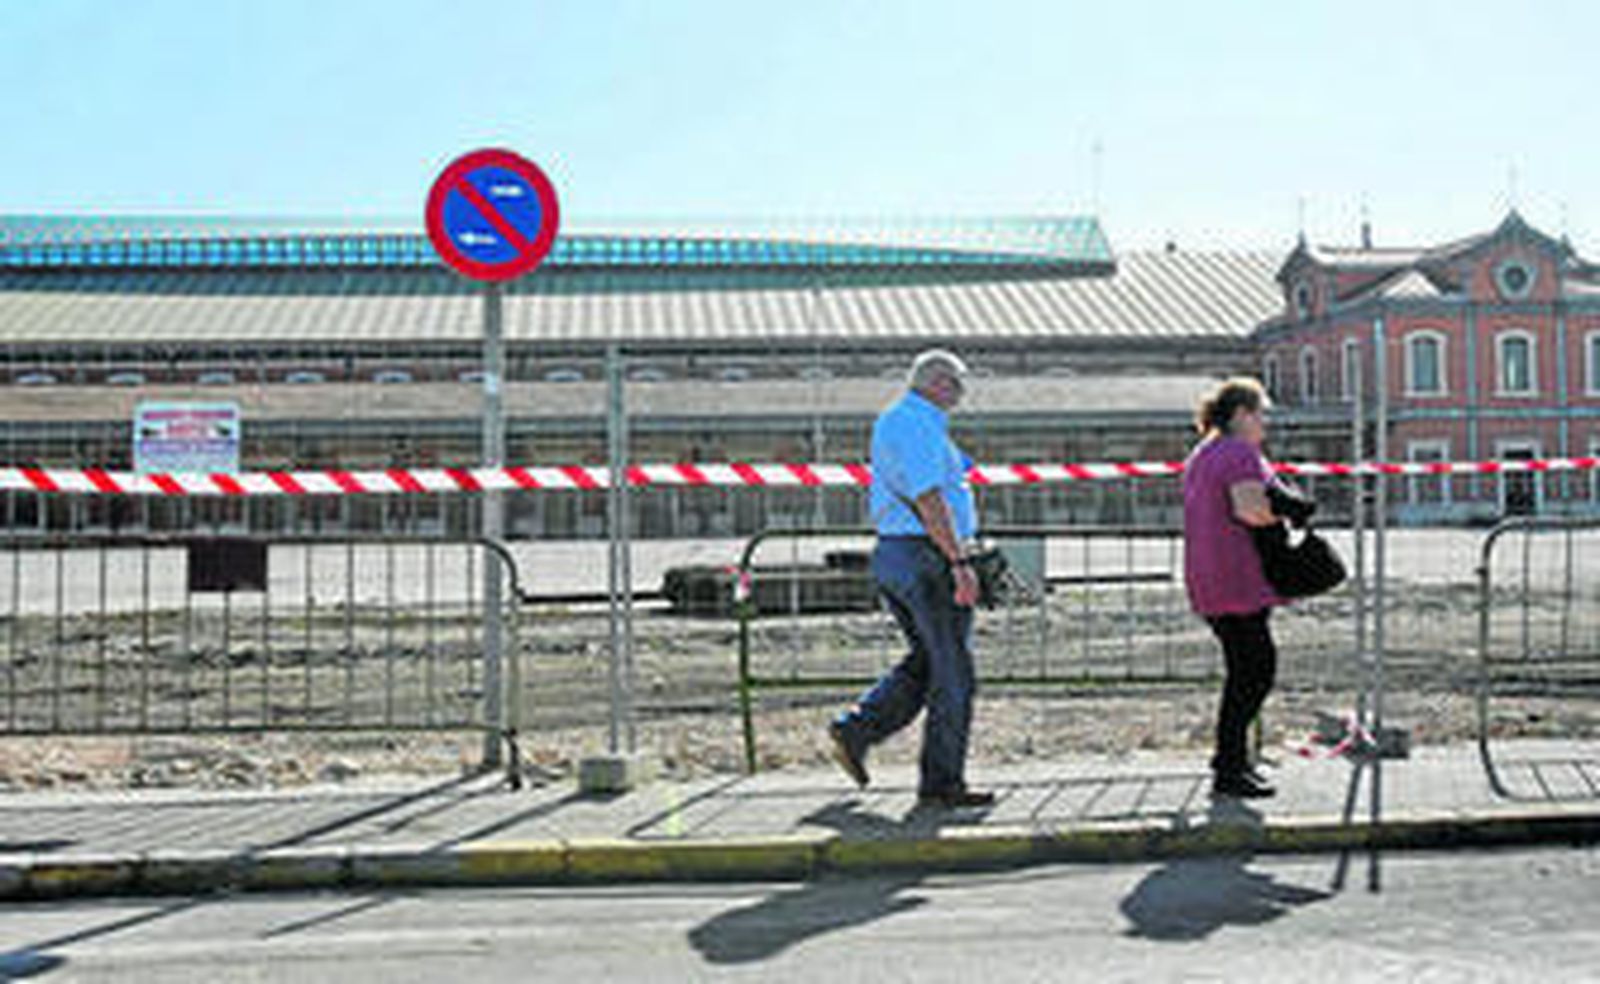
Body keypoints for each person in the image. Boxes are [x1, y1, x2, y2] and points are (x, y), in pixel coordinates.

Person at [827, 349, 994, 809]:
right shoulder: (918, 425)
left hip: (900, 554)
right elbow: (929, 497)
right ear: (938, 382)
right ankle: (942, 784)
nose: (962, 393)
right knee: (954, 673)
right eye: (958, 384)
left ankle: (857, 727)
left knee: (928, 660)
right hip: (927, 556)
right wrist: (959, 562)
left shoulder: (902, 421)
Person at [1183, 377, 1291, 799]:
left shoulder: (1205, 452)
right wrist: (1288, 512)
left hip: (1212, 575)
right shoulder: (1238, 452)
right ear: (1242, 414)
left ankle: (1230, 759)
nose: (1265, 422)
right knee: (1254, 672)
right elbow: (1251, 510)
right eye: (1261, 413)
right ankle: (1229, 767)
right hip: (1237, 577)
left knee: (1244, 670)